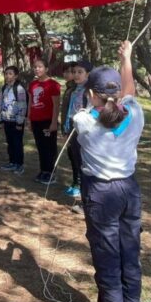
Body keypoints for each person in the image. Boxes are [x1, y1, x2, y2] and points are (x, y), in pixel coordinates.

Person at [74, 41, 145, 302]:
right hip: (128, 190)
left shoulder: (84, 121)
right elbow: (128, 95)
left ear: (91, 94)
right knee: (129, 255)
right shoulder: (135, 114)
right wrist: (126, 59)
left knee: (108, 259)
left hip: (102, 194)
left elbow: (106, 103)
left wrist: (123, 63)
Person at [61, 61, 92, 207]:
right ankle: (76, 185)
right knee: (73, 157)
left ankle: (84, 194)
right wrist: (65, 128)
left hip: (84, 131)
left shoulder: (90, 91)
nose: (76, 75)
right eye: (75, 72)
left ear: (88, 74)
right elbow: (66, 111)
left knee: (83, 161)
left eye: (80, 72)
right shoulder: (71, 89)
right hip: (71, 127)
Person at [28, 58, 62, 185]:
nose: (37, 69)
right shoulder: (32, 84)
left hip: (47, 121)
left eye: (40, 67)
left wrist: (54, 123)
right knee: (40, 146)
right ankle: (43, 170)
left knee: (49, 147)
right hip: (36, 120)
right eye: (35, 67)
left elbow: (56, 105)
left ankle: (51, 172)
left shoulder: (53, 84)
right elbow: (31, 102)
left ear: (46, 69)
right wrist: (29, 119)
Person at [0, 65, 28, 174]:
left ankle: (19, 164)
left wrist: (20, 122)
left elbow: (22, 105)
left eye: (10, 73)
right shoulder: (4, 88)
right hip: (7, 120)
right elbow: (0, 103)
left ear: (15, 75)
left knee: (17, 143)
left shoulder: (19, 89)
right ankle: (12, 162)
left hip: (16, 122)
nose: (7, 76)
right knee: (10, 142)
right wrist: (0, 119)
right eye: (6, 73)